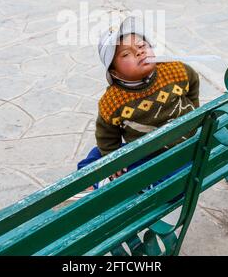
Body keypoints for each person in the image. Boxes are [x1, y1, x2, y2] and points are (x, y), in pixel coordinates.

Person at [75, 16, 200, 197]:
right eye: (126, 54)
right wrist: (112, 158)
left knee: (172, 177)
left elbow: (193, 83)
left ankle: (107, 184)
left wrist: (192, 111)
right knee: (100, 152)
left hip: (172, 152)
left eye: (142, 46)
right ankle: (86, 180)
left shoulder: (176, 71)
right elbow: (106, 134)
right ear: (114, 71)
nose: (140, 52)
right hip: (149, 149)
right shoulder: (113, 101)